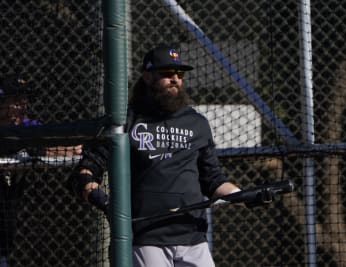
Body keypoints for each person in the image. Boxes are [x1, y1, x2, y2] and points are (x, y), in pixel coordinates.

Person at [72, 45, 265, 267]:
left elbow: (213, 181)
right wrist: (104, 202)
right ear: (147, 76)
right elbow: (86, 171)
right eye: (167, 73)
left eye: (179, 74)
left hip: (193, 237)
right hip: (145, 238)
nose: (175, 79)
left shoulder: (197, 123)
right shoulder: (126, 120)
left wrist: (245, 196)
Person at [0, 74, 82, 267]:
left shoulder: (28, 126)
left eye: (24, 100)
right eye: (15, 100)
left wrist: (36, 147)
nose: (22, 105)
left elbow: (67, 147)